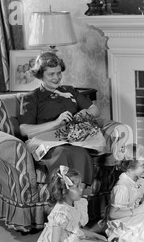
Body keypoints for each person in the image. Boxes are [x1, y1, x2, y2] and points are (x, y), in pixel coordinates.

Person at [18, 51, 101, 187]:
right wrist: (56, 122)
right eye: (51, 74)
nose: (56, 77)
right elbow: (24, 129)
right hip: (45, 141)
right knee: (64, 152)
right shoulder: (31, 98)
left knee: (81, 152)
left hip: (72, 138)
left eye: (58, 73)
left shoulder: (70, 91)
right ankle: (62, 195)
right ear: (40, 75)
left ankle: (79, 195)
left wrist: (81, 116)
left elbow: (95, 110)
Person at [33, 166, 107, 242]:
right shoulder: (61, 213)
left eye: (80, 185)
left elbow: (75, 229)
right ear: (65, 191)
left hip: (69, 234)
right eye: (76, 187)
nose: (81, 189)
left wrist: (94, 235)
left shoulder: (76, 203)